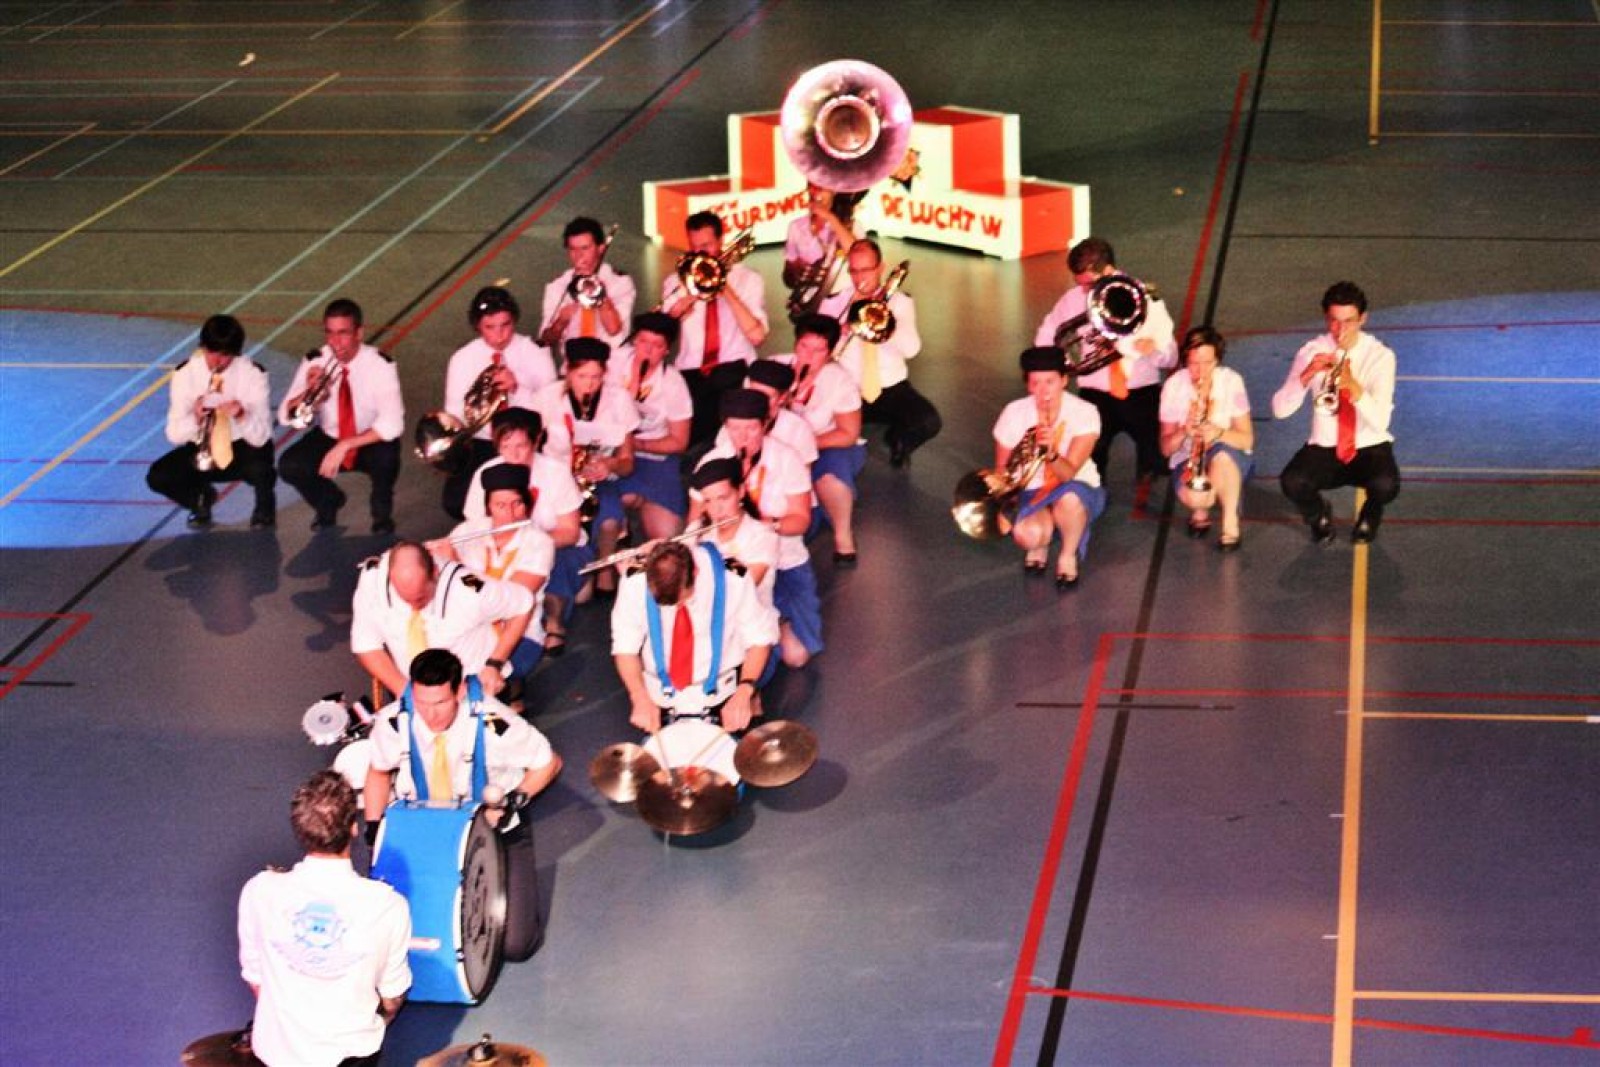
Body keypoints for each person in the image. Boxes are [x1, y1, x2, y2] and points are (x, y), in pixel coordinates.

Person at [363, 649, 561, 963]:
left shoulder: (495, 723)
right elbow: (378, 771)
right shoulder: (394, 721)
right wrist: (375, 828)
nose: (430, 715)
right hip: (425, 825)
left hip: (495, 827)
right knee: (392, 934)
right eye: (422, 703)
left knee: (515, 945)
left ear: (460, 691)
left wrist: (514, 801)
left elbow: (548, 763)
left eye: (440, 703)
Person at [238, 770, 410, 1067]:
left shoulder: (259, 890)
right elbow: (392, 998)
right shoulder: (388, 905)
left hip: (276, 1056)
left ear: (300, 829)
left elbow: (256, 980)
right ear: (353, 828)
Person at [1033, 236, 1177, 510]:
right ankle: (1093, 494)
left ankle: (1148, 467)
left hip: (1141, 393)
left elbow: (1171, 357)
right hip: (1095, 395)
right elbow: (1048, 333)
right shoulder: (1073, 299)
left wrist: (1154, 350)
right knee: (1087, 458)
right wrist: (1049, 365)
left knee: (1160, 459)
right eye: (1079, 284)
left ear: (1108, 270)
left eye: (1088, 283)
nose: (1084, 291)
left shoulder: (1143, 297)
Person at [691, 389, 820, 668]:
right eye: (734, 428)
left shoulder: (787, 458)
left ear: (766, 424)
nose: (742, 437)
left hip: (785, 561)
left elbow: (801, 520)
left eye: (751, 428)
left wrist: (760, 527)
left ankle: (780, 620)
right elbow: (695, 521)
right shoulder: (712, 462)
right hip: (732, 561)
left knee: (796, 656)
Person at [1272, 281, 1400, 544]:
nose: (1340, 330)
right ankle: (1317, 514)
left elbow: (1381, 422)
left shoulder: (1381, 357)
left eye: (1349, 321)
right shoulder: (1311, 351)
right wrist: (1306, 376)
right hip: (1326, 447)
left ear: (1363, 319)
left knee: (1386, 486)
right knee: (1292, 482)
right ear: (1326, 318)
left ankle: (1371, 514)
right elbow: (1280, 410)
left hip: (1369, 445)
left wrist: (1353, 387)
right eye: (1334, 321)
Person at [611, 541, 778, 734]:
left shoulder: (733, 578)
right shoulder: (634, 582)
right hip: (660, 696)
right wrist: (638, 696)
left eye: (682, 600)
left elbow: (759, 640)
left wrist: (744, 691)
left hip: (724, 693)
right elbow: (625, 648)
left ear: (696, 572)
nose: (676, 608)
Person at [461, 408, 590, 656]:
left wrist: (528, 544)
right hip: (503, 551)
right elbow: (476, 530)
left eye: (520, 446)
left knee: (553, 566)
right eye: (505, 447)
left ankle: (553, 622)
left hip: (558, 546)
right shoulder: (485, 475)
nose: (513, 455)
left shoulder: (556, 472)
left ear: (537, 440)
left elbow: (569, 532)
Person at [277, 299, 405, 533]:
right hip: (330, 435)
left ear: (359, 333)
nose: (335, 342)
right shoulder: (316, 360)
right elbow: (287, 416)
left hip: (368, 437)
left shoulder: (381, 365)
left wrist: (346, 444)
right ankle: (328, 500)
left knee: (387, 459)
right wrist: (310, 392)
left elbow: (392, 424)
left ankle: (381, 512)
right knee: (290, 465)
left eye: (343, 333)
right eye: (330, 333)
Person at [350, 540, 534, 701]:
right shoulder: (372, 582)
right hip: (410, 688)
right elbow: (366, 645)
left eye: (420, 598)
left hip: (473, 688)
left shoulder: (470, 587)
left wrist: (495, 664)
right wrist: (404, 691)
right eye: (405, 599)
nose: (413, 606)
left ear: (435, 573)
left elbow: (524, 604)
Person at [530, 337, 638, 603]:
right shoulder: (544, 399)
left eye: (596, 377)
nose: (589, 385)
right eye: (581, 376)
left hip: (598, 481)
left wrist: (610, 464)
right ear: (567, 370)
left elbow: (627, 462)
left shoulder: (619, 399)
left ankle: (604, 569)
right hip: (556, 479)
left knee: (610, 520)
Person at [437, 286, 558, 520]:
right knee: (455, 502)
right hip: (483, 440)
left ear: (515, 321)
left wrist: (517, 389)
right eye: (489, 328)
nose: (499, 335)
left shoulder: (535, 353)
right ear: (477, 327)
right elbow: (454, 413)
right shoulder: (462, 359)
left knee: (534, 498)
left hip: (526, 440)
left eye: (506, 325)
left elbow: (552, 407)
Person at [146, 313, 276, 529]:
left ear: (236, 353)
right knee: (159, 476)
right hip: (202, 446)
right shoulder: (185, 374)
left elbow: (262, 437)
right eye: (211, 352)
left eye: (225, 355)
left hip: (243, 446)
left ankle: (265, 507)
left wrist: (241, 415)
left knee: (262, 467)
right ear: (203, 347)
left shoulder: (253, 374)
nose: (217, 360)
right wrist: (196, 418)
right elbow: (174, 435)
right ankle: (200, 499)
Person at [817, 238, 940, 468]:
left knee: (929, 421)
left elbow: (912, 350)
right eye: (854, 271)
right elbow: (820, 353)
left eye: (866, 270)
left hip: (890, 386)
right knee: (820, 425)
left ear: (880, 268)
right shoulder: (834, 303)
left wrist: (884, 322)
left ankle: (897, 440)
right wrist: (844, 325)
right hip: (848, 387)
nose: (860, 277)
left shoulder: (900, 302)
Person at [431, 463, 554, 686]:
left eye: (517, 504)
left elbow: (507, 601)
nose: (510, 514)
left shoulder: (540, 543)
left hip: (517, 632)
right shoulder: (468, 531)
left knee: (467, 678)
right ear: (488, 506)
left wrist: (455, 566)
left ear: (527, 504)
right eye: (500, 505)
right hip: (467, 625)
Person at [992, 348, 1105, 588]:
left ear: (1064, 380)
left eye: (1050, 381)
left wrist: (1050, 452)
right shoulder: (1014, 412)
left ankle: (1067, 555)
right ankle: (1040, 541)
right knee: (1027, 535)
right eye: (1036, 383)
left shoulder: (1085, 412)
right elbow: (1002, 469)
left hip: (1075, 487)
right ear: (1028, 385)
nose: (1043, 391)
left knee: (1069, 498)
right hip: (1032, 489)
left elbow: (1068, 474)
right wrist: (1002, 505)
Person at [662, 210, 769, 447]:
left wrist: (723, 287)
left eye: (707, 246)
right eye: (694, 247)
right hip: (691, 371)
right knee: (692, 446)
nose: (700, 253)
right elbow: (665, 332)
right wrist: (690, 294)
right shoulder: (676, 282)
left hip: (734, 369)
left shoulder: (749, 279)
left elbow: (757, 337)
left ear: (721, 240)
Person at [772, 314, 866, 563]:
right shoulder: (774, 367)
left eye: (818, 350)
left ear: (830, 353)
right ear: (795, 344)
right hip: (776, 446)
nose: (808, 356)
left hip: (828, 444)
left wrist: (803, 444)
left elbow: (848, 433)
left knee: (829, 479)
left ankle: (843, 535)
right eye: (803, 346)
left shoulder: (840, 380)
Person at [1159, 326, 1254, 551]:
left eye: (1208, 363)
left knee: (1222, 456)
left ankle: (1230, 522)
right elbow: (1165, 449)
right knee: (1198, 497)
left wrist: (1219, 433)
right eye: (1194, 363)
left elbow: (1247, 440)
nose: (1201, 370)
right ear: (1185, 360)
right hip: (1188, 458)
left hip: (1228, 455)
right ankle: (1200, 509)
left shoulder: (1232, 381)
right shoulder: (1173, 387)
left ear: (1217, 360)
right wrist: (1184, 431)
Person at [607, 310, 694, 546]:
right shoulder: (613, 363)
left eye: (657, 346)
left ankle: (639, 506)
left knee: (667, 538)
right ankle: (624, 521)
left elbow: (679, 441)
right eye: (643, 341)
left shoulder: (673, 383)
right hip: (611, 452)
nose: (647, 350)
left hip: (654, 457)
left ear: (667, 351)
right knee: (611, 509)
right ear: (634, 340)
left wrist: (637, 444)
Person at [537, 216, 634, 351]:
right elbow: (545, 341)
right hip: (574, 360)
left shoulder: (620, 282)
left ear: (600, 248)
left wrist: (598, 291)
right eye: (573, 249)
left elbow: (613, 330)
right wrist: (561, 322)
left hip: (612, 359)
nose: (579, 256)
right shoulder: (557, 286)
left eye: (585, 248)